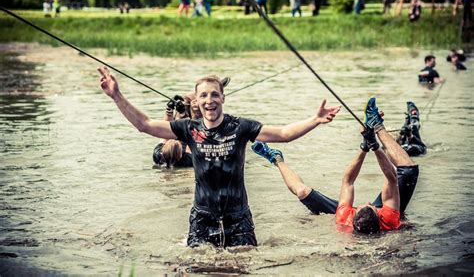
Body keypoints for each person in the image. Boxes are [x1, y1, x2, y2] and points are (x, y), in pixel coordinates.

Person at [98, 68, 341, 247]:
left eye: (214, 95)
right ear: (197, 100)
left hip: (239, 219)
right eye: (203, 96)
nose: (209, 100)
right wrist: (117, 96)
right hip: (202, 219)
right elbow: (144, 125)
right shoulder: (188, 128)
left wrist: (315, 120)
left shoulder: (241, 127)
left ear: (223, 98)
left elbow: (284, 134)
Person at [253, 97, 419, 234]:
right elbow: (390, 177)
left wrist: (364, 148)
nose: (366, 201)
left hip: (354, 221)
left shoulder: (344, 216)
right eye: (369, 204)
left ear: (353, 216)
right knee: (409, 171)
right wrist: (372, 145)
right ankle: (377, 125)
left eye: (362, 205)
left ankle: (276, 158)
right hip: (376, 220)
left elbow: (348, 180)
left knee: (302, 191)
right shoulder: (389, 218)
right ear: (379, 211)